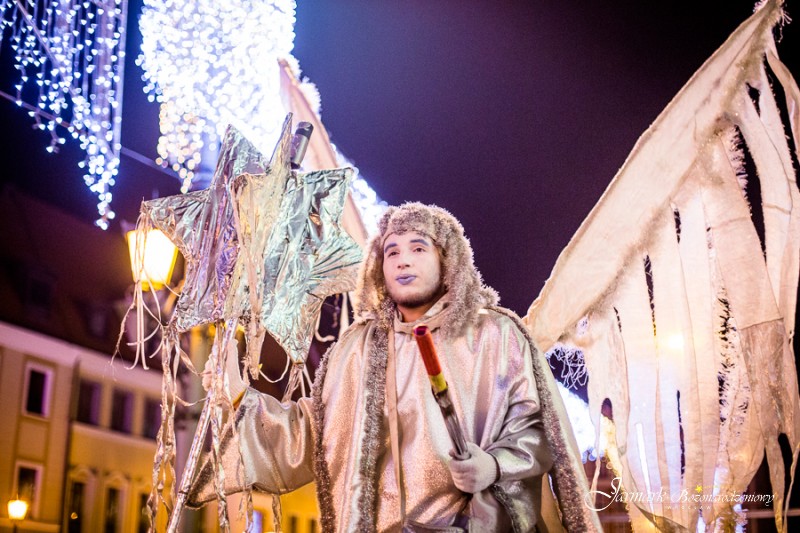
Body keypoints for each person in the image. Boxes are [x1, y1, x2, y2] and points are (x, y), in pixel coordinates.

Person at [191, 203, 599, 532]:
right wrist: (239, 394)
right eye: (392, 251)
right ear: (379, 267)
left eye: (418, 248)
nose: (403, 260)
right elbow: (314, 437)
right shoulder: (355, 348)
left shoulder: (496, 334)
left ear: (447, 260)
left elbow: (538, 430)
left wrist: (493, 466)